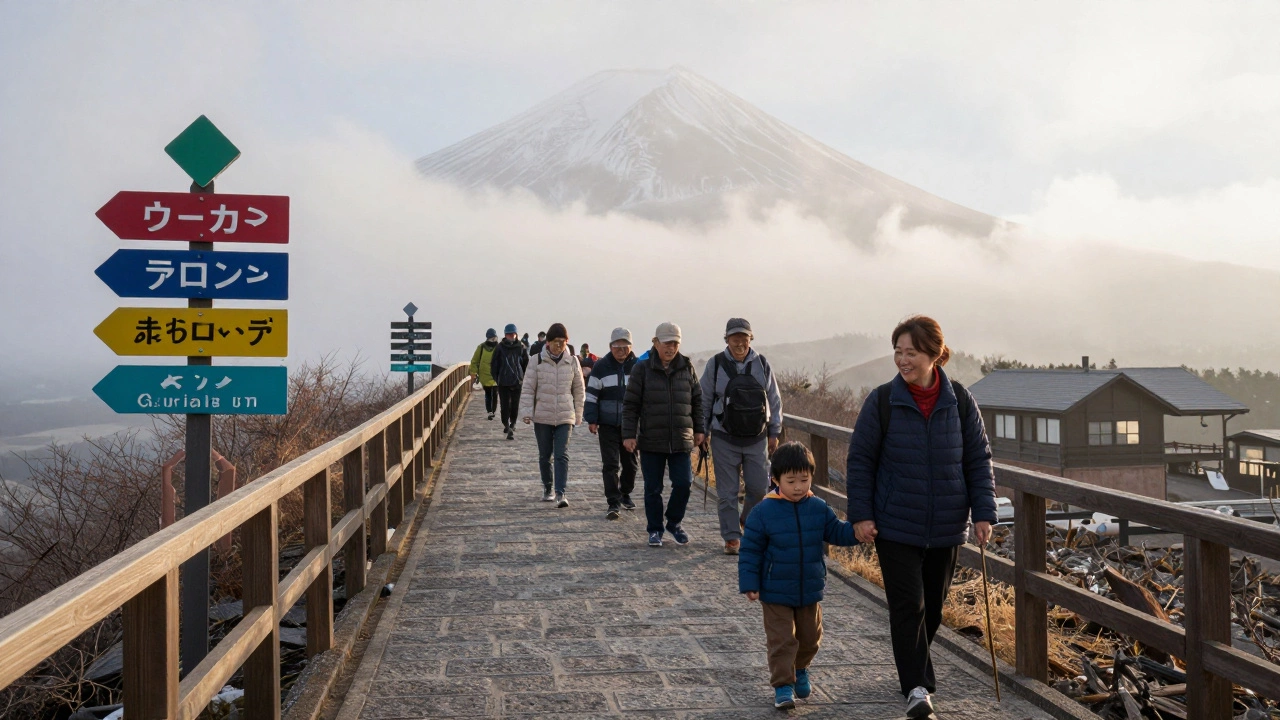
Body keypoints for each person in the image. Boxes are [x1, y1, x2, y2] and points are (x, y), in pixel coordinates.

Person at [846, 315, 997, 719]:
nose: (902, 359)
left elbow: (978, 460)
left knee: (931, 607)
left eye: (910, 352)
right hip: (895, 523)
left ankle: (914, 669)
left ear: (933, 354)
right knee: (907, 606)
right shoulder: (882, 401)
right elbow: (860, 461)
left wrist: (984, 512)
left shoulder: (960, 401)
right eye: (897, 351)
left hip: (947, 525)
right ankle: (917, 687)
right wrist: (861, 514)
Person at [739, 442, 858, 709]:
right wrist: (750, 583)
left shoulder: (818, 507)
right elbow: (750, 551)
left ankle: (801, 667)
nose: (798, 487)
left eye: (804, 480)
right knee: (782, 639)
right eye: (791, 480)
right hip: (774, 590)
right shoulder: (763, 512)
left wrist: (858, 532)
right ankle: (783, 685)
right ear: (775, 479)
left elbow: (837, 532)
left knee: (811, 636)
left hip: (809, 588)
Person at [701, 318, 783, 556]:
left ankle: (746, 521)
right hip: (723, 436)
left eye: (744, 338)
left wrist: (774, 431)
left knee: (758, 488)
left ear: (751, 339)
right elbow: (705, 399)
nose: (739, 343)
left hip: (756, 438)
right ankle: (731, 538)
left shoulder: (762, 364)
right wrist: (702, 431)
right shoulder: (715, 364)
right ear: (726, 339)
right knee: (727, 493)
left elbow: (774, 400)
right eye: (735, 338)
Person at [621, 322, 705, 548]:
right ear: (655, 343)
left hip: (681, 438)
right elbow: (630, 405)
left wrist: (700, 429)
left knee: (684, 483)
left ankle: (674, 522)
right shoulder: (642, 369)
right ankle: (655, 529)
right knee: (653, 488)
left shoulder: (687, 367)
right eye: (667, 343)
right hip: (651, 439)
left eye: (675, 343)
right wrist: (629, 434)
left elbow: (697, 400)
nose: (671, 348)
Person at [520, 323, 585, 507]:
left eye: (563, 342)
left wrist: (578, 413)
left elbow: (579, 390)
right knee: (544, 455)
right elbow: (528, 388)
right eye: (556, 342)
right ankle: (548, 487)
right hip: (543, 415)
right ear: (547, 343)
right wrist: (526, 412)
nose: (559, 346)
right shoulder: (536, 361)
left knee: (561, 454)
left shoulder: (572, 361)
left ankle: (560, 493)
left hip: (565, 415)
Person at [584, 328, 638, 520]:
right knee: (610, 464)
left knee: (631, 464)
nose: (621, 350)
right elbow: (591, 395)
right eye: (617, 346)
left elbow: (645, 396)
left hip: (631, 425)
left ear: (631, 347)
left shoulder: (638, 366)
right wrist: (592, 419)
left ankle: (625, 492)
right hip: (607, 423)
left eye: (625, 346)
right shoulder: (601, 366)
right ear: (610, 346)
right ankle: (613, 502)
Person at [490, 323, 528, 440]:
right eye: (509, 334)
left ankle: (513, 424)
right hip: (503, 382)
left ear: (516, 334)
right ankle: (506, 424)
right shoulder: (500, 348)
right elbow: (494, 365)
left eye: (513, 334)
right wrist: (498, 378)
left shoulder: (521, 347)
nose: (511, 336)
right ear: (505, 335)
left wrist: (523, 377)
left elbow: (525, 364)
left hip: (517, 381)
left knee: (515, 405)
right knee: (505, 406)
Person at [469, 329, 500, 420]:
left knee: (494, 393)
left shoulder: (499, 347)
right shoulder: (481, 347)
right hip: (485, 375)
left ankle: (492, 411)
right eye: (492, 338)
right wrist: (473, 373)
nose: (493, 339)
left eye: (494, 337)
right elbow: (475, 361)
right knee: (488, 393)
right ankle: (490, 411)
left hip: (496, 375)